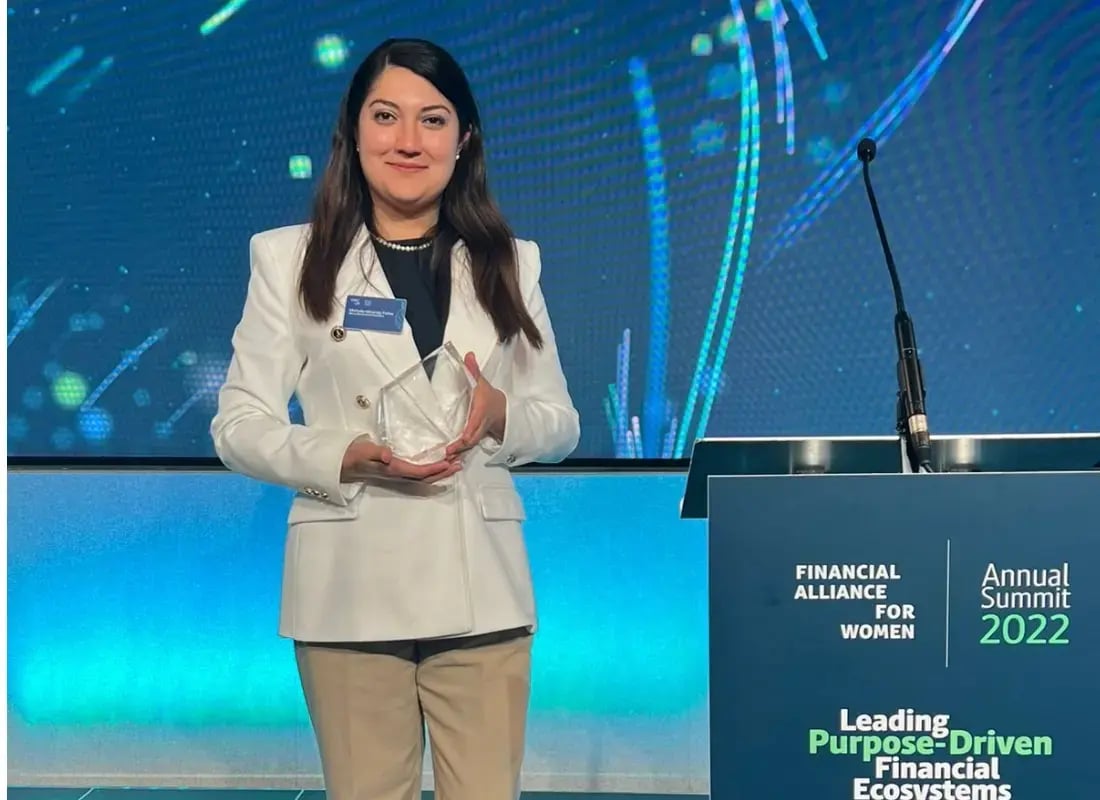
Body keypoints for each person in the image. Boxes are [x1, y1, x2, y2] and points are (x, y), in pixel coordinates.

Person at [210, 37, 580, 800]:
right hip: (349, 583)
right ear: (353, 130)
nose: (409, 141)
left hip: (481, 584)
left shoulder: (510, 261)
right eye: (386, 116)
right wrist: (347, 454)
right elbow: (237, 425)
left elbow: (561, 422)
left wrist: (498, 413)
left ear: (464, 140)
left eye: (433, 120)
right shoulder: (289, 259)